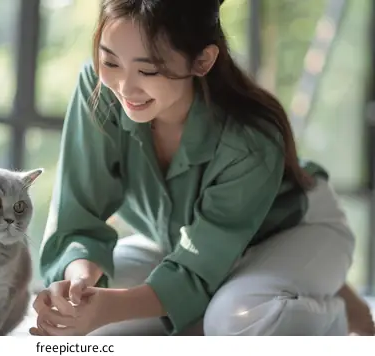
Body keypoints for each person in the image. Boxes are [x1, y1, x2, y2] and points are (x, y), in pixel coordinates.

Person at [29, 0, 375, 336]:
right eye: (110, 61)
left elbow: (196, 270)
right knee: (99, 312)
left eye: (148, 70)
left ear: (203, 59)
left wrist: (109, 308)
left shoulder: (250, 138)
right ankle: (273, 292)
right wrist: (78, 284)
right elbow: (79, 214)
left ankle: (335, 314)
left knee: (235, 321)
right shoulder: (99, 89)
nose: (124, 87)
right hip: (188, 240)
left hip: (292, 228)